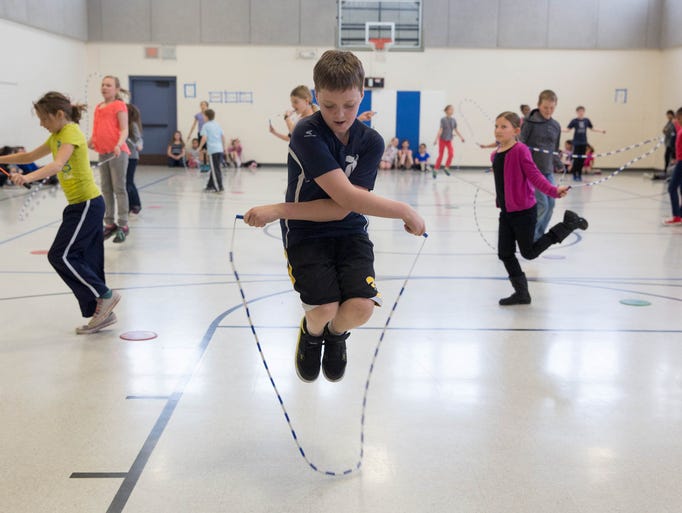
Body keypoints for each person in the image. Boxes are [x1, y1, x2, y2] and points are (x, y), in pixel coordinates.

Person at [242, 50, 425, 383]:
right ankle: (312, 333)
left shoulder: (370, 141)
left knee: (361, 307)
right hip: (306, 231)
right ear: (315, 97)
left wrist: (276, 208)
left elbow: (346, 210)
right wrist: (404, 209)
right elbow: (343, 199)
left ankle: (336, 335)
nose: (340, 115)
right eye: (328, 106)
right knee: (323, 308)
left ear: (362, 96)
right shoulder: (307, 133)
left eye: (350, 105)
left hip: (350, 231)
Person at [0, 92, 120, 334]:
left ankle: (105, 295)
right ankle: (102, 311)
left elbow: (56, 165)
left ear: (59, 115)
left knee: (61, 255)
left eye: (44, 119)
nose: (41, 124)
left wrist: (26, 177)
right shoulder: (56, 135)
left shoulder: (71, 132)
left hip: (87, 204)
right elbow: (28, 156)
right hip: (78, 206)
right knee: (85, 259)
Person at [490, 111, 588, 305]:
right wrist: (501, 198)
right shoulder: (495, 155)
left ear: (516, 130)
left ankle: (568, 225)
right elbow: (503, 181)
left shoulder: (520, 150)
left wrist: (553, 191)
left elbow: (534, 175)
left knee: (529, 252)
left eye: (504, 126)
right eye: (496, 126)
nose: (498, 130)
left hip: (524, 212)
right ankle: (522, 293)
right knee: (505, 253)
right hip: (507, 212)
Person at [89, 75, 130, 243]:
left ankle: (123, 224)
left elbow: (124, 129)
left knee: (119, 188)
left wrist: (119, 144)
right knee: (105, 188)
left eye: (109, 85)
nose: (105, 87)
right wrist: (85, 145)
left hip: (117, 153)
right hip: (103, 152)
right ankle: (109, 223)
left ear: (116, 89)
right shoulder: (98, 107)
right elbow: (96, 130)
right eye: (103, 85)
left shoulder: (119, 105)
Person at [519, 89, 563, 240]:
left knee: (551, 204)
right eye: (545, 107)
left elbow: (554, 149)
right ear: (538, 105)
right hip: (532, 172)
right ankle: (529, 237)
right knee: (542, 204)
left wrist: (559, 163)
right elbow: (521, 143)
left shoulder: (556, 126)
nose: (549, 111)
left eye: (552, 108)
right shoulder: (529, 122)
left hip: (547, 171)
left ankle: (538, 236)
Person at [565, 106, 606, 182]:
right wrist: (558, 129)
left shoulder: (586, 121)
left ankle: (579, 175)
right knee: (576, 159)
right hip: (576, 143)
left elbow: (592, 128)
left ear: (584, 112)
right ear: (577, 112)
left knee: (582, 160)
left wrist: (601, 131)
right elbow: (567, 129)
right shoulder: (574, 121)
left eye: (582, 111)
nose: (581, 113)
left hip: (584, 143)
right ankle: (574, 174)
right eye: (579, 111)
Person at [433, 104, 465, 176]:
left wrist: (461, 137)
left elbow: (456, 130)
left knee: (451, 154)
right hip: (442, 139)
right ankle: (435, 169)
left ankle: (446, 167)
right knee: (441, 155)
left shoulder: (454, 120)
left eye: (452, 109)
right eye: (450, 109)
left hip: (449, 140)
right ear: (446, 111)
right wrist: (436, 139)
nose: (452, 110)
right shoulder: (443, 120)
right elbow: (440, 130)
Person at [199, 109, 226, 192]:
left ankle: (219, 187)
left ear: (207, 116)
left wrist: (199, 147)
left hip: (213, 150)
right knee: (215, 168)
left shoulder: (205, 126)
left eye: (203, 115)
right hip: (219, 149)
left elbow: (204, 138)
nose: (203, 117)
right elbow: (223, 137)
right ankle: (210, 186)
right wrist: (223, 148)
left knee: (215, 169)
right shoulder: (217, 124)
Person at [663, 107, 682, 225]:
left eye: (679, 118)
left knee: (672, 187)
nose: (677, 120)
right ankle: (679, 214)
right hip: (679, 161)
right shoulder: (679, 128)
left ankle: (676, 216)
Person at [126, 104, 143, 214]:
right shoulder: (123, 125)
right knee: (125, 182)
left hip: (131, 157)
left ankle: (136, 204)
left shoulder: (132, 125)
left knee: (129, 181)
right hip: (123, 157)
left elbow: (139, 139)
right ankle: (128, 204)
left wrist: (139, 145)